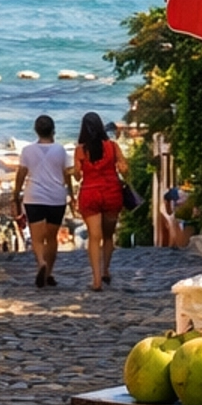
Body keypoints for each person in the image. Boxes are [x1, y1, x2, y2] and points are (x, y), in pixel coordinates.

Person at [14, 115, 75, 290]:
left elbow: (21, 174)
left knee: (37, 238)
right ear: (53, 130)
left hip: (34, 197)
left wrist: (16, 193)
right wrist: (71, 194)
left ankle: (41, 262)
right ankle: (48, 273)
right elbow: (67, 175)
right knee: (52, 238)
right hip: (56, 198)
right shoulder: (60, 150)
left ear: (36, 130)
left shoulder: (27, 151)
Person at [74, 109, 127, 292]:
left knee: (94, 238)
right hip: (112, 192)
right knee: (108, 236)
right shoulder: (112, 147)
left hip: (90, 194)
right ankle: (106, 270)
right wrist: (118, 166)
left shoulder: (81, 150)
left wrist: (76, 170)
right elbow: (124, 168)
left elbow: (76, 175)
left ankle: (96, 280)